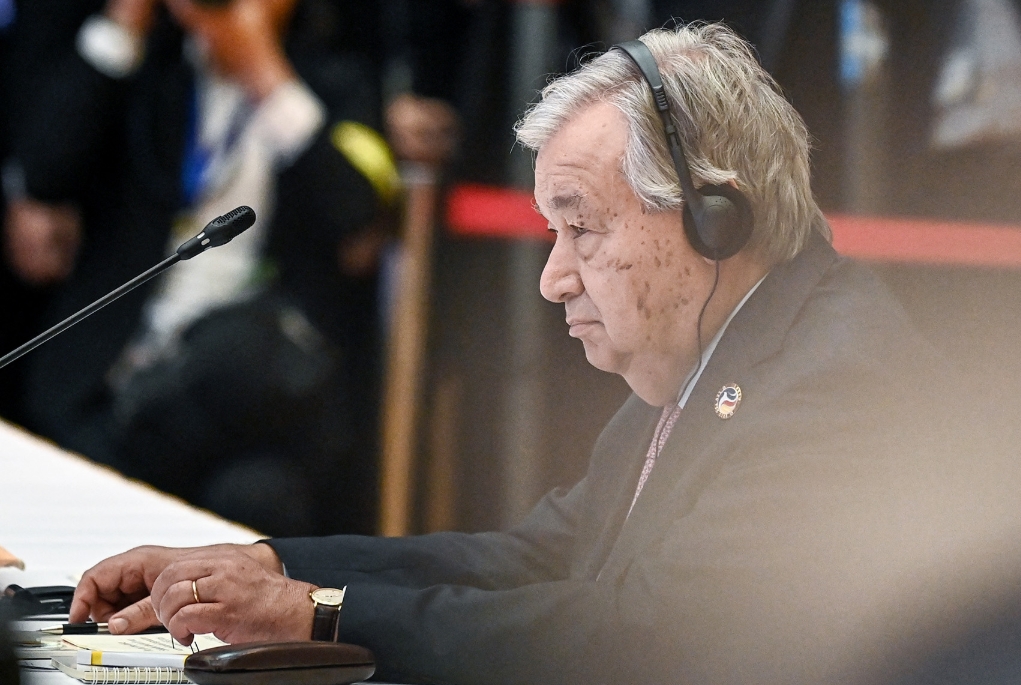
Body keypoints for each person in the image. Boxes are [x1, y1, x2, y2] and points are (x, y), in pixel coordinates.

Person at [67, 23, 948, 684]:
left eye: (582, 229)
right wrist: (270, 567)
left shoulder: (834, 385)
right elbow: (540, 556)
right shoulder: (725, 341)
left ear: (715, 219)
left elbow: (649, 634)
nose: (553, 279)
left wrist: (317, 613)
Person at [7, 0, 393, 534]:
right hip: (123, 364)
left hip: (253, 381)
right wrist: (125, 23)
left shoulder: (335, 81)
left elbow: (355, 208)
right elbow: (45, 171)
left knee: (259, 488)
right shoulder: (147, 69)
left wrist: (266, 74)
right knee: (85, 440)